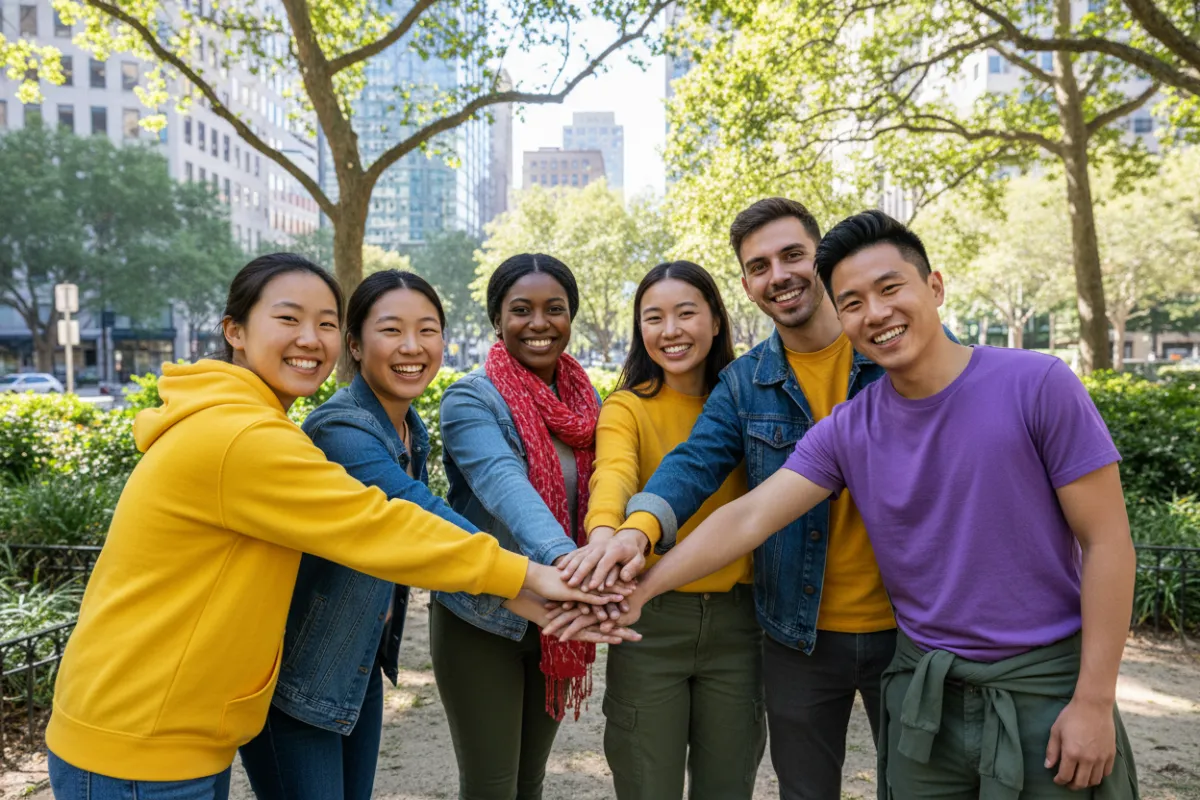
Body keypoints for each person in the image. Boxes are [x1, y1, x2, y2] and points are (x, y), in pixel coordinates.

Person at [553, 210, 1140, 799]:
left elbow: (1107, 541)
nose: (876, 313)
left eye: (890, 289)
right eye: (855, 301)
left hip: (989, 667)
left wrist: (1094, 698)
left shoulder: (1031, 383)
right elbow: (743, 509)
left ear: (934, 287)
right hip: (873, 666)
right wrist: (639, 566)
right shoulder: (835, 422)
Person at [44, 254, 616, 800]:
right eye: (288, 319)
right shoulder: (247, 438)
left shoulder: (265, 424)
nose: (308, 338)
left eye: (323, 320)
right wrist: (535, 581)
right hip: (141, 737)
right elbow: (385, 525)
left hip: (180, 726)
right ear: (235, 331)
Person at [238, 270, 638, 800]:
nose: (412, 346)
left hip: (354, 663)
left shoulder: (406, 429)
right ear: (354, 345)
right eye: (391, 330)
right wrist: (549, 578)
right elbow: (421, 517)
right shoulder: (344, 430)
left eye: (428, 330)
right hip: (302, 675)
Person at [565, 198, 901, 799]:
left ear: (821, 260)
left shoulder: (893, 349)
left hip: (910, 624)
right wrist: (628, 533)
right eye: (759, 266)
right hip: (797, 633)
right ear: (745, 285)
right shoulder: (744, 384)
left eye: (793, 255)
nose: (779, 275)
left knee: (920, 788)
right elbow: (692, 467)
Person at [556, 261, 766, 798]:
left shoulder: (752, 402)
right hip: (648, 620)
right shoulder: (626, 406)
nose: (670, 331)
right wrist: (604, 536)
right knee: (648, 784)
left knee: (729, 785)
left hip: (739, 626)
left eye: (685, 313)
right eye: (653, 318)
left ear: (717, 320)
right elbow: (614, 475)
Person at [433, 253, 610, 800]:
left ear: (570, 317)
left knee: (529, 784)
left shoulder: (588, 404)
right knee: (492, 787)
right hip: (483, 618)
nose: (539, 323)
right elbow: (506, 486)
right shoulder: (470, 399)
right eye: (521, 310)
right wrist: (568, 564)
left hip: (558, 618)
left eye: (554, 309)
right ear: (496, 320)